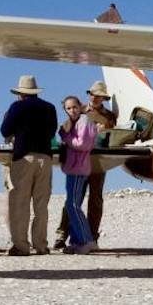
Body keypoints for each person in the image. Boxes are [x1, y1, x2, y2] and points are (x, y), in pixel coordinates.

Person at [53, 81, 117, 250]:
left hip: (98, 162)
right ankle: (62, 235)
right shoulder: (78, 110)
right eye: (93, 94)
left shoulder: (110, 117)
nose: (95, 97)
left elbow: (113, 137)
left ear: (103, 98)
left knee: (95, 199)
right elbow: (65, 130)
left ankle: (92, 237)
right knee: (74, 200)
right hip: (79, 161)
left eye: (99, 95)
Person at [0, 75, 58, 256]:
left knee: (21, 203)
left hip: (24, 157)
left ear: (20, 93)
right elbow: (52, 132)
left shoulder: (17, 107)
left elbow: (5, 130)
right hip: (45, 158)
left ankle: (21, 245)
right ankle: (41, 244)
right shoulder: (50, 108)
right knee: (41, 204)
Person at [58, 95, 99, 254]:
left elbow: (83, 143)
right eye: (68, 108)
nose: (72, 110)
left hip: (79, 168)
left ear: (79, 106)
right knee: (72, 204)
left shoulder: (84, 121)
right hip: (73, 167)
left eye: (74, 107)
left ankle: (86, 240)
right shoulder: (75, 123)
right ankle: (76, 240)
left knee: (72, 205)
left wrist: (66, 137)